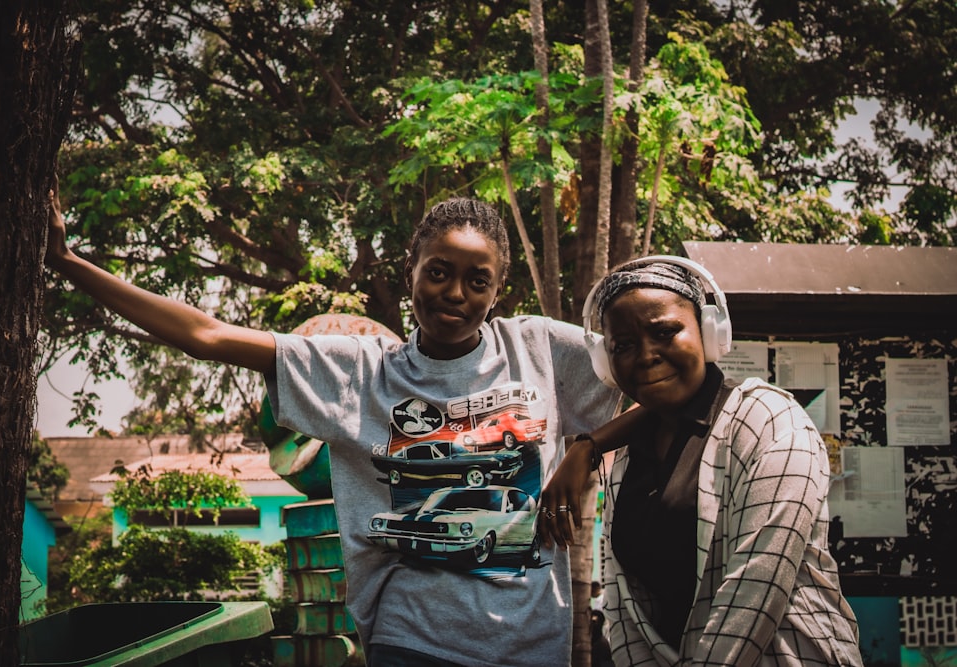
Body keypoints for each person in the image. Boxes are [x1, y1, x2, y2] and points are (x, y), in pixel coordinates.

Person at [46, 186, 643, 667]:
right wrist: (69, 262)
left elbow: (673, 387)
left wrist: (587, 447)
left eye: (476, 280)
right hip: (414, 640)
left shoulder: (541, 349)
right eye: (438, 271)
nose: (455, 293)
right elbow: (207, 335)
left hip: (532, 642)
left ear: (497, 289)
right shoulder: (357, 372)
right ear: (410, 270)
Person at [540, 257, 862, 666]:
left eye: (665, 332)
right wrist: (588, 445)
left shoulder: (772, 422)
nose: (646, 356)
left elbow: (753, 594)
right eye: (623, 345)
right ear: (606, 361)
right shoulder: (627, 458)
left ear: (709, 333)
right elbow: (626, 611)